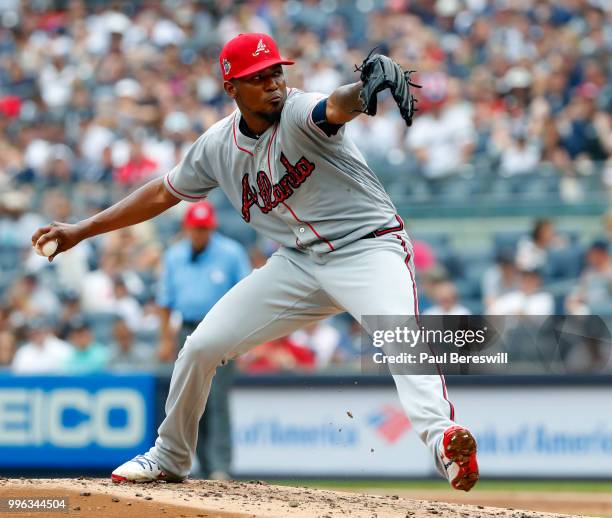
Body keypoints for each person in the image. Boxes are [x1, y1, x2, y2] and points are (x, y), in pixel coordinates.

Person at [31, 33, 478, 492]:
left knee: (399, 334)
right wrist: (82, 229)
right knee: (201, 346)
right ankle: (170, 455)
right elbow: (163, 191)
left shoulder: (301, 113)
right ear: (232, 88)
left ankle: (443, 440)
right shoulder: (216, 147)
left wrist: (364, 90)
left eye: (275, 73)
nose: (272, 85)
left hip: (369, 248)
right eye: (257, 78)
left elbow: (336, 105)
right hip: (300, 263)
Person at [157, 200, 251, 480]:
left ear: (212, 227)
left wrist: (241, 338)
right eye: (195, 228)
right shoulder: (174, 255)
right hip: (185, 328)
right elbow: (165, 302)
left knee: (217, 400)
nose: (199, 233)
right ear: (187, 227)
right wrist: (164, 339)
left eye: (204, 228)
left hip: (220, 329)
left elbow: (246, 296)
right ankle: (196, 465)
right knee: (187, 400)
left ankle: (220, 466)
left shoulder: (230, 253)